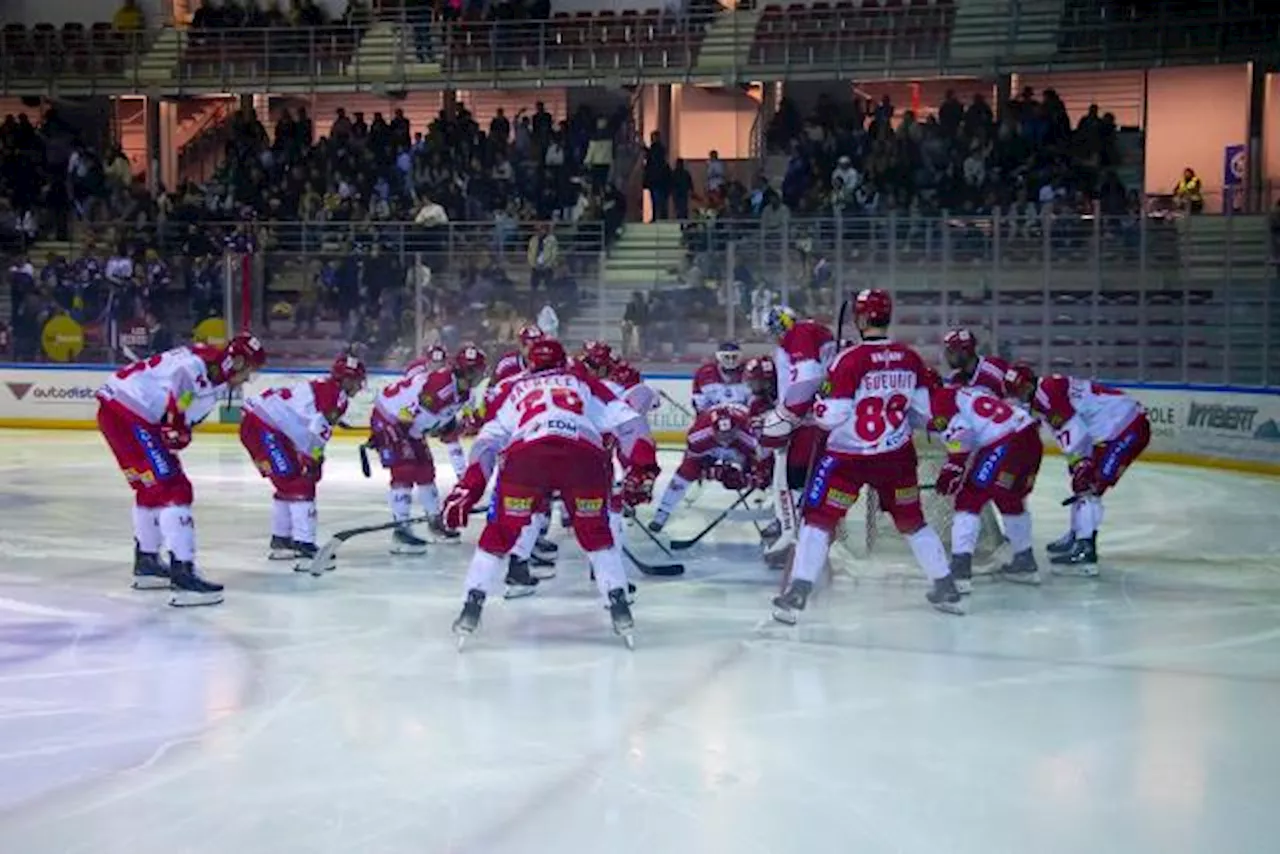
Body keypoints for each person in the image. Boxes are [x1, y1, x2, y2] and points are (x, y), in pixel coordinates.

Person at [442, 338, 660, 648]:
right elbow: (631, 423)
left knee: (499, 533)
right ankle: (618, 602)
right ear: (564, 362)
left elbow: (486, 444)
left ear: (530, 364)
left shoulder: (509, 388)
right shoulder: (583, 382)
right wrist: (642, 468)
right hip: (582, 457)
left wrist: (469, 486)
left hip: (526, 458)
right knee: (596, 534)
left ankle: (471, 605)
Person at [771, 289, 963, 622]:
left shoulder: (850, 360)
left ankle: (798, 592)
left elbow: (829, 418)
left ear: (860, 319)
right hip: (895, 457)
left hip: (847, 459)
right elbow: (923, 414)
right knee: (913, 521)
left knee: (818, 520)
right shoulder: (910, 357)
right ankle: (946, 586)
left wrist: (820, 400)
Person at [96, 333, 267, 607]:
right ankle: (183, 574)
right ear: (237, 361)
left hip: (117, 411)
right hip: (133, 415)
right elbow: (181, 392)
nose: (247, 379)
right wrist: (176, 427)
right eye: (249, 371)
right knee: (174, 489)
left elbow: (182, 407)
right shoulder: (198, 367)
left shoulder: (210, 367)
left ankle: (148, 563)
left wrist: (178, 428)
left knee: (149, 489)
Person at [1005, 364, 1151, 575]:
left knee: (1089, 486)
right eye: (1014, 392)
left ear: (1029, 384)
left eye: (1019, 390)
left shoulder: (1047, 395)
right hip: (1114, 430)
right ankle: (1078, 534)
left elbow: (1073, 431)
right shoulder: (1044, 393)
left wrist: (1081, 463)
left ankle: (1085, 549)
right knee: (1082, 483)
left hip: (1126, 428)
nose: (1018, 396)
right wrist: (1079, 464)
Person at [240, 354, 367, 567]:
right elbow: (317, 430)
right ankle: (304, 544)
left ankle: (281, 540)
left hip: (258, 425)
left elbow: (305, 425)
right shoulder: (337, 396)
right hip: (266, 428)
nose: (359, 386)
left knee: (287, 483)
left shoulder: (326, 388)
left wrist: (312, 457)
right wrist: (314, 461)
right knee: (300, 483)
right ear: (346, 380)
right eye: (356, 380)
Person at [923, 383, 1044, 589]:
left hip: (1006, 442)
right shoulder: (965, 392)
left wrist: (954, 466)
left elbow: (963, 432)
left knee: (968, 498)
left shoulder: (940, 398)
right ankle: (1025, 561)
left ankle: (960, 571)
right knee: (1010, 499)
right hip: (1030, 437)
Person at [370, 345, 488, 553]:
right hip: (392, 419)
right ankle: (401, 528)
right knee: (404, 471)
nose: (479, 375)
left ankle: (434, 521)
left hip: (411, 426)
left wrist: (449, 427)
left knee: (425, 471)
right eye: (475, 370)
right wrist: (384, 435)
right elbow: (414, 415)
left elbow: (435, 423)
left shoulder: (463, 392)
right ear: (464, 371)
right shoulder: (439, 387)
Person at [757, 305, 835, 565]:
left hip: (803, 422)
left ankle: (791, 535)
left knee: (785, 481)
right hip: (818, 420)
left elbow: (807, 379)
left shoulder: (799, 333)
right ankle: (801, 529)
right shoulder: (815, 332)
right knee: (804, 482)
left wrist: (787, 416)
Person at [649, 403, 770, 533]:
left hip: (738, 448)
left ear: (737, 429)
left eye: (730, 434)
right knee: (683, 476)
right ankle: (663, 512)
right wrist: (713, 472)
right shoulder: (697, 437)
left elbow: (763, 469)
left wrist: (746, 478)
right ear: (712, 430)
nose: (725, 440)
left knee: (758, 472)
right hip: (709, 448)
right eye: (721, 435)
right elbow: (692, 464)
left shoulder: (750, 437)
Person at [942, 328, 1010, 396]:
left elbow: (1013, 398)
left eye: (951, 352)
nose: (946, 356)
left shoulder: (995, 369)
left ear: (965, 351)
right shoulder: (954, 378)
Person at [691, 341, 751, 412]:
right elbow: (699, 405)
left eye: (734, 357)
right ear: (719, 356)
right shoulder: (703, 373)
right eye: (726, 357)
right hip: (713, 419)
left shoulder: (750, 372)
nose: (730, 361)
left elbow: (754, 403)